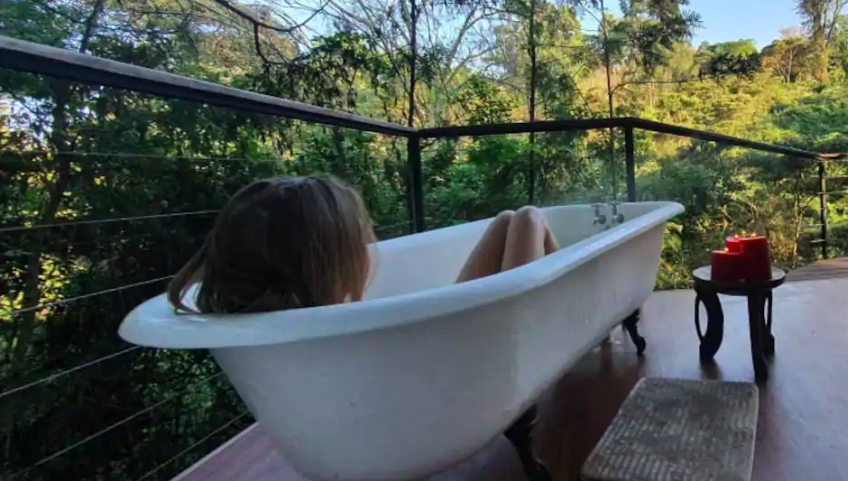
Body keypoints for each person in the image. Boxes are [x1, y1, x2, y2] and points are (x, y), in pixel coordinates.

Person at [167, 175, 558, 314]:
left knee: (509, 219)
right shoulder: (330, 325)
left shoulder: (294, 321)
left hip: (442, 354)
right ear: (329, 263)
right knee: (528, 217)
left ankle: (581, 328)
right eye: (360, 239)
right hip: (474, 364)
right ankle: (580, 332)